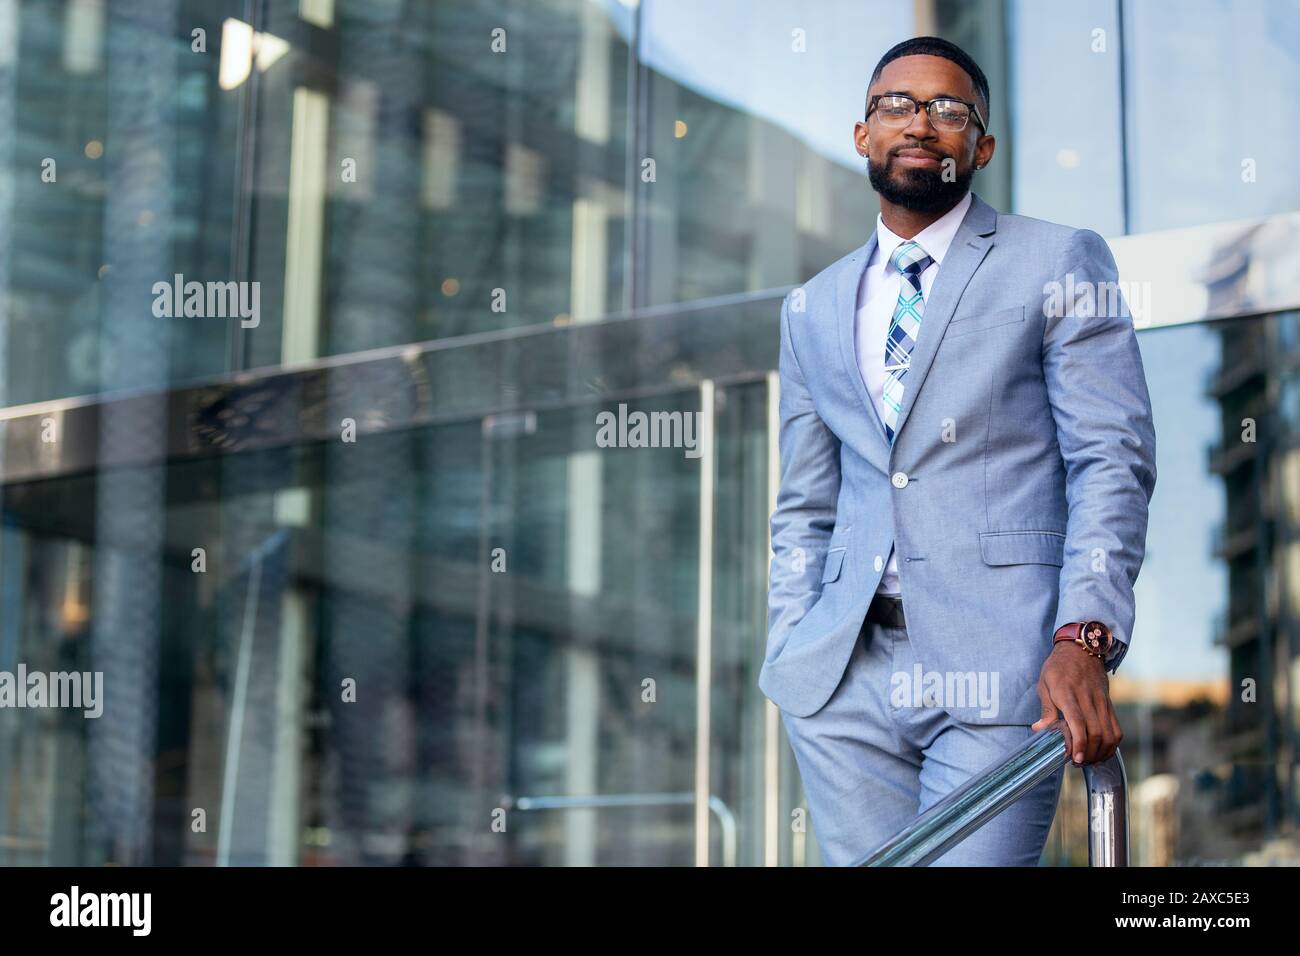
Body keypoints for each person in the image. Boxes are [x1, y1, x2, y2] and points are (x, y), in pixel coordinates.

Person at [758, 36, 1156, 866]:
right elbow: (805, 503)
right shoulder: (813, 307)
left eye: (949, 109)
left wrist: (1082, 636)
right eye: (896, 104)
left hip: (1004, 672)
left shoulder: (1058, 260)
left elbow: (1109, 461)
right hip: (843, 682)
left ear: (982, 145)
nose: (921, 124)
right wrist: (792, 644)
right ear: (863, 134)